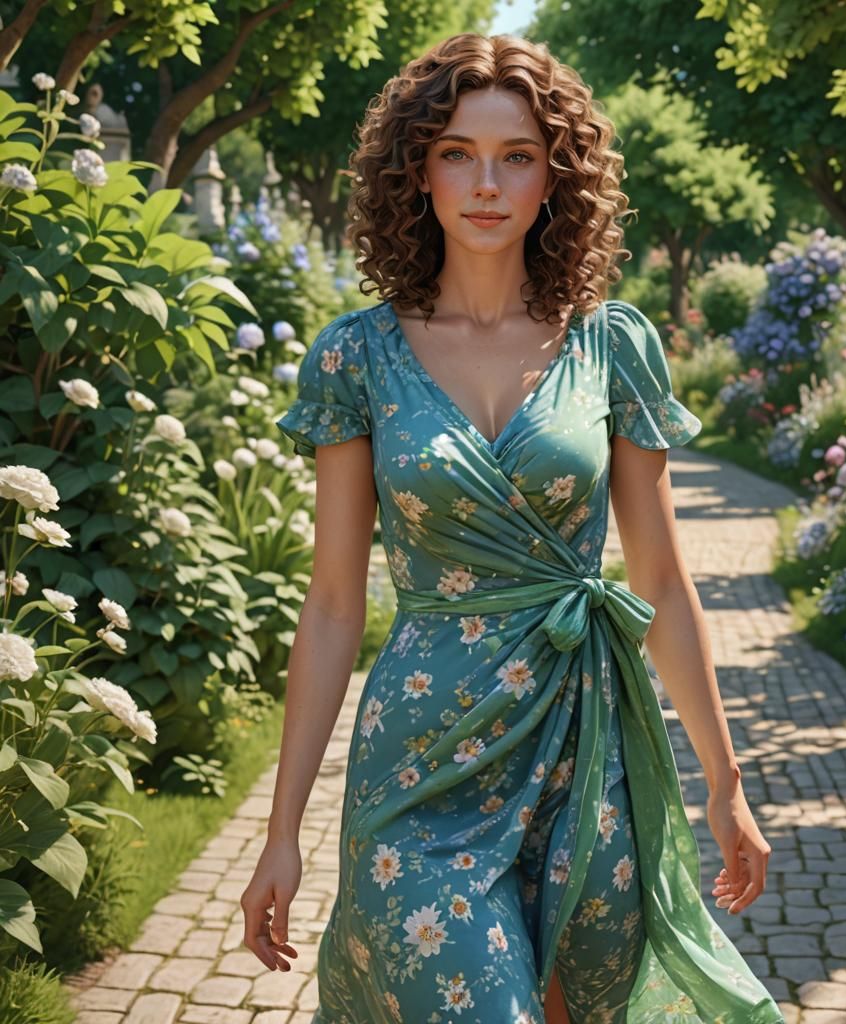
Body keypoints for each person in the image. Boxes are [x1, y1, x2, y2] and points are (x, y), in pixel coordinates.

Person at [240, 32, 785, 1024]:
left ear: (554, 180)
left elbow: (658, 580)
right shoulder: (354, 357)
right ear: (418, 173)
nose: (485, 182)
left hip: (584, 749)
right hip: (421, 760)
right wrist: (281, 831)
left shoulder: (612, 345)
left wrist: (724, 781)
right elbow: (330, 605)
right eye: (456, 152)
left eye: (517, 156)